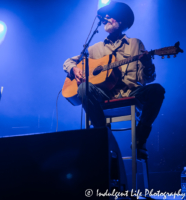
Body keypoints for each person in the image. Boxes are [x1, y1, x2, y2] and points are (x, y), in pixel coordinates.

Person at [63, 2, 165, 160]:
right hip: (104, 94)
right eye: (105, 16)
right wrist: (74, 69)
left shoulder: (135, 44)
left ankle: (140, 138)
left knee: (157, 90)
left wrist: (148, 65)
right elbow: (69, 61)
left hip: (132, 92)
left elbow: (147, 79)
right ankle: (103, 136)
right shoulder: (95, 49)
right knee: (83, 88)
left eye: (110, 15)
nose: (106, 18)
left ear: (121, 20)